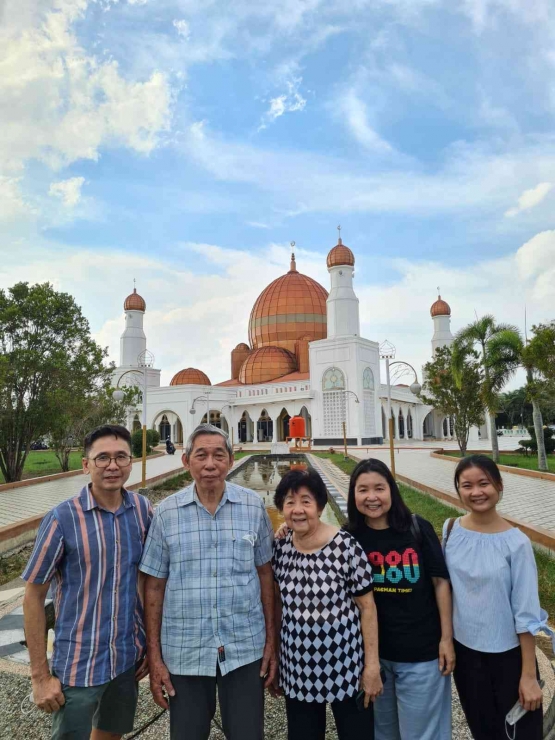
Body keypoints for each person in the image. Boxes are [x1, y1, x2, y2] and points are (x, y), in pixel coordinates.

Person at [139, 423, 276, 740]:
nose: (210, 464)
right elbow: (154, 586)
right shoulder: (167, 513)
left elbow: (265, 574)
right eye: (201, 455)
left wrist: (271, 642)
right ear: (186, 461)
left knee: (247, 733)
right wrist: (155, 657)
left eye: (218, 455)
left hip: (243, 646)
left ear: (231, 459)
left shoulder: (252, 506)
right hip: (186, 650)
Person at [22, 424, 152, 740]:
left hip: (125, 660)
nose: (112, 465)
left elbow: (147, 580)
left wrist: (150, 643)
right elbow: (33, 595)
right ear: (86, 465)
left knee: (109, 735)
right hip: (79, 664)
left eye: (121, 457)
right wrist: (39, 676)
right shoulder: (62, 518)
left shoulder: (142, 510)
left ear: (130, 462)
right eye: (102, 458)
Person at [346, 458, 454, 740]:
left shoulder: (417, 528)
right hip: (376, 659)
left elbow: (441, 583)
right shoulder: (348, 537)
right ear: (353, 494)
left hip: (422, 655)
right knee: (384, 733)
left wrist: (446, 639)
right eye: (363, 489)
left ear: (391, 491)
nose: (372, 497)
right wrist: (287, 530)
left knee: (422, 734)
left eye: (379, 488)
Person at [272, 469, 382, 740]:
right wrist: (276, 657)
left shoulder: (345, 547)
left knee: (356, 733)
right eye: (289, 502)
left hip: (346, 665)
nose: (298, 510)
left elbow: (367, 607)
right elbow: (276, 604)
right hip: (298, 667)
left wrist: (371, 667)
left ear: (320, 507)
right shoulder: (281, 548)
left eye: (306, 501)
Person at [444, 454, 546, 739]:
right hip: (466, 654)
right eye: (467, 485)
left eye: (484, 483)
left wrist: (527, 676)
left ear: (499, 486)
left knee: (521, 733)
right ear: (458, 490)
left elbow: (526, 614)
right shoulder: (450, 530)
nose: (476, 492)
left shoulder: (517, 544)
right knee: (483, 730)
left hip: (508, 658)